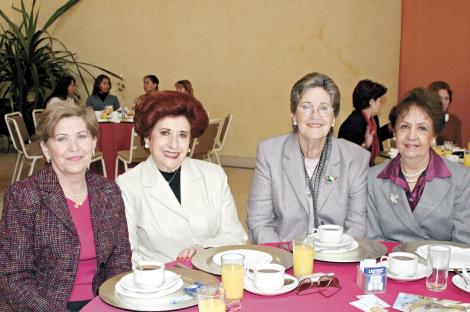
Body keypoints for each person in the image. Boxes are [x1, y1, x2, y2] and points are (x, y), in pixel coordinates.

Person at [0, 102, 131, 311]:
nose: (74, 147)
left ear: (94, 142)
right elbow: (13, 279)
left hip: (103, 302)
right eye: (62, 139)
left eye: (82, 136)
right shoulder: (23, 196)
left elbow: (120, 261)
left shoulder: (108, 191)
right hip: (43, 306)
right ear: (46, 149)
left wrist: (112, 304)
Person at [116, 91, 247, 264]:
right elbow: (128, 254)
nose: (174, 144)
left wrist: (204, 249)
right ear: (148, 137)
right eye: (164, 133)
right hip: (159, 283)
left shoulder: (214, 176)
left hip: (213, 276)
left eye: (182, 135)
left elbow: (236, 236)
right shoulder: (128, 185)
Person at [247, 72, 370, 244]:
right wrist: (283, 258)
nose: (315, 115)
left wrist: (337, 255)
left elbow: (357, 225)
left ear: (334, 118)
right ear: (294, 115)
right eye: (306, 106)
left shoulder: (355, 158)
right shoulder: (269, 153)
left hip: (337, 258)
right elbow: (259, 222)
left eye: (324, 108)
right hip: (284, 258)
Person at [367, 88, 470, 244]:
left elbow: (464, 248)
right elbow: (373, 243)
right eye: (404, 127)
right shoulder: (373, 178)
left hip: (440, 267)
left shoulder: (461, 179)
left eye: (422, 128)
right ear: (394, 132)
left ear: (434, 136)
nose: (411, 136)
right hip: (389, 265)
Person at [338, 79, 393, 165]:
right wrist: (365, 146)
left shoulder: (373, 119)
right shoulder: (353, 123)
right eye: (379, 101)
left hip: (370, 166)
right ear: (371, 102)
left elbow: (376, 137)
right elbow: (347, 155)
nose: (380, 104)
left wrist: (390, 127)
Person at [428, 80, 462, 146]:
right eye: (439, 98)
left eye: (446, 98)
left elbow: (458, 150)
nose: (443, 102)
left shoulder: (455, 121)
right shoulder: (423, 118)